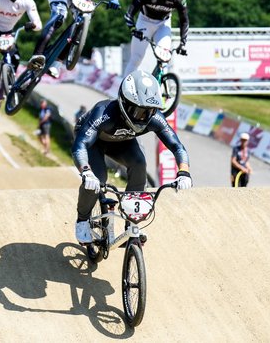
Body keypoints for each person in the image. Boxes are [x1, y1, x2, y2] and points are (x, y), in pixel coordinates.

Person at [71, 70, 192, 243]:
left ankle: (132, 222)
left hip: (122, 141)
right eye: (139, 111)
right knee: (98, 179)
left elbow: (177, 146)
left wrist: (184, 172)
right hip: (93, 142)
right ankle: (82, 220)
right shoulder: (104, 113)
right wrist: (85, 171)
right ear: (123, 103)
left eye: (150, 111)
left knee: (139, 164)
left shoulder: (153, 118)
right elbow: (80, 145)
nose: (144, 117)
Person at [123, 0, 189, 76]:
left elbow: (184, 20)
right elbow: (129, 14)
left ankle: (161, 89)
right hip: (144, 22)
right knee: (136, 59)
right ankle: (123, 91)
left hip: (163, 24)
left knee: (164, 59)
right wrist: (133, 29)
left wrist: (183, 42)